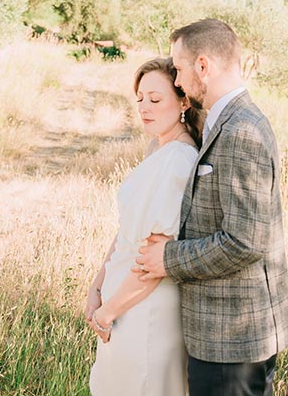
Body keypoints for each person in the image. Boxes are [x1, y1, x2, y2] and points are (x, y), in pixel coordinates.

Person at [134, 18, 288, 396]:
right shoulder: (224, 123)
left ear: (203, 66)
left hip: (232, 335)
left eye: (180, 69)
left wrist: (168, 259)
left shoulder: (242, 131)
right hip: (219, 331)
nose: (176, 81)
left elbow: (245, 241)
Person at [86, 57, 202, 396]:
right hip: (120, 298)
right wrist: (97, 286)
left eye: (155, 99)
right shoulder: (158, 149)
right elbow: (126, 232)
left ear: (183, 101)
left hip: (144, 307)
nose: (144, 108)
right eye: (139, 99)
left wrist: (109, 312)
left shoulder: (179, 159)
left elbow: (155, 257)